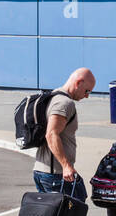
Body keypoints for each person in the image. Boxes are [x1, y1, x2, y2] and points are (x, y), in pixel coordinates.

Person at [34, 67, 96, 201]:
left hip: (44, 171)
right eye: (87, 91)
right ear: (78, 82)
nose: (87, 96)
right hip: (56, 175)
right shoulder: (64, 103)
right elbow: (51, 134)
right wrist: (66, 166)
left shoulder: (52, 96)